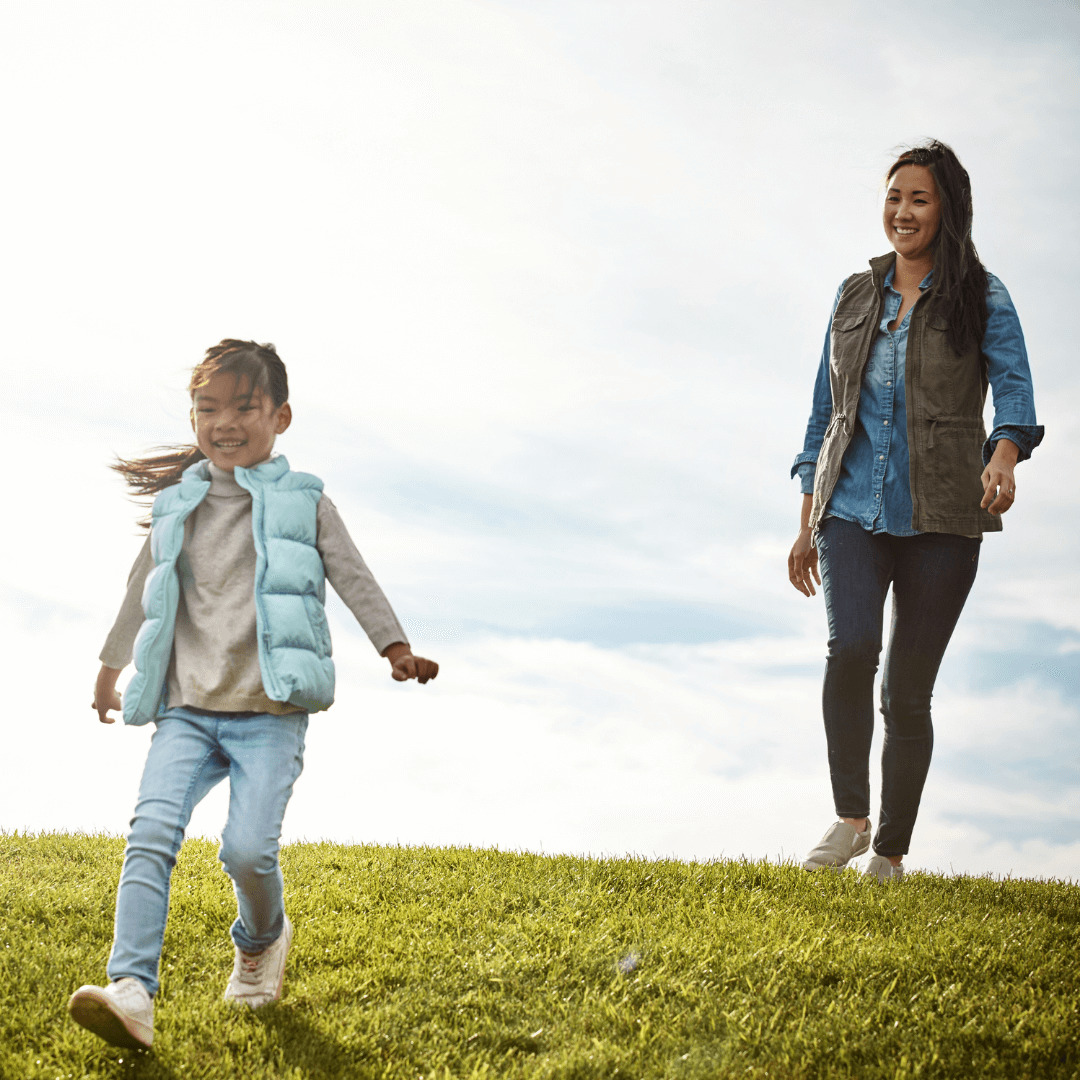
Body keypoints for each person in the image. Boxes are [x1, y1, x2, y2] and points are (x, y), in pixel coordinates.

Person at [68, 339, 439, 1049]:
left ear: (281, 416)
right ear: (193, 416)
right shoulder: (180, 506)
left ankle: (262, 937)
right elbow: (140, 592)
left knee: (245, 853)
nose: (225, 421)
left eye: (244, 406)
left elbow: (353, 577)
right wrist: (110, 671)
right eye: (209, 408)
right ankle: (131, 990)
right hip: (186, 710)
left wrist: (394, 649)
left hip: (269, 713)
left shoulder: (306, 502)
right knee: (148, 838)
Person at [787, 141, 1043, 884]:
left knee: (907, 689)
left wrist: (1003, 455)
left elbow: (1017, 392)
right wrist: (805, 521)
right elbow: (822, 416)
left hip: (942, 520)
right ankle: (850, 820)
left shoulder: (982, 296)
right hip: (849, 512)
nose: (903, 211)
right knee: (850, 651)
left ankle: (890, 853)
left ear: (947, 209)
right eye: (895, 195)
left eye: (920, 199)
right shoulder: (853, 296)